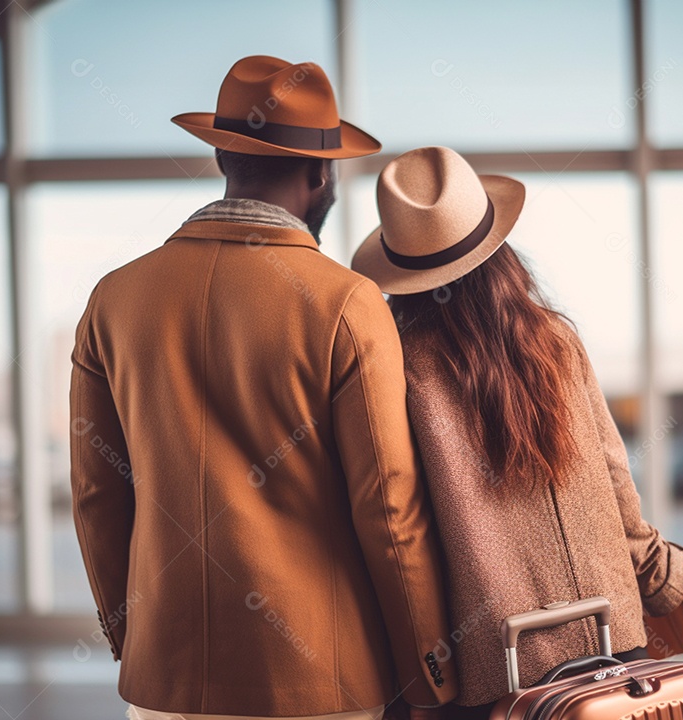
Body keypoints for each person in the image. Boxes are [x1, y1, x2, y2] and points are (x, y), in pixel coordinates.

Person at [69, 57, 457, 720]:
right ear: (322, 174)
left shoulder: (115, 298)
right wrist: (429, 673)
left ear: (222, 155)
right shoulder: (347, 303)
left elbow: (97, 494)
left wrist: (133, 639)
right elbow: (388, 510)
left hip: (166, 676)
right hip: (321, 680)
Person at [351, 146, 683, 713]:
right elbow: (616, 480)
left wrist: (422, 662)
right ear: (499, 250)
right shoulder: (557, 341)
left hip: (491, 666)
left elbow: (400, 520)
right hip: (614, 642)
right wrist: (660, 579)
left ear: (403, 275)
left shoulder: (400, 368)